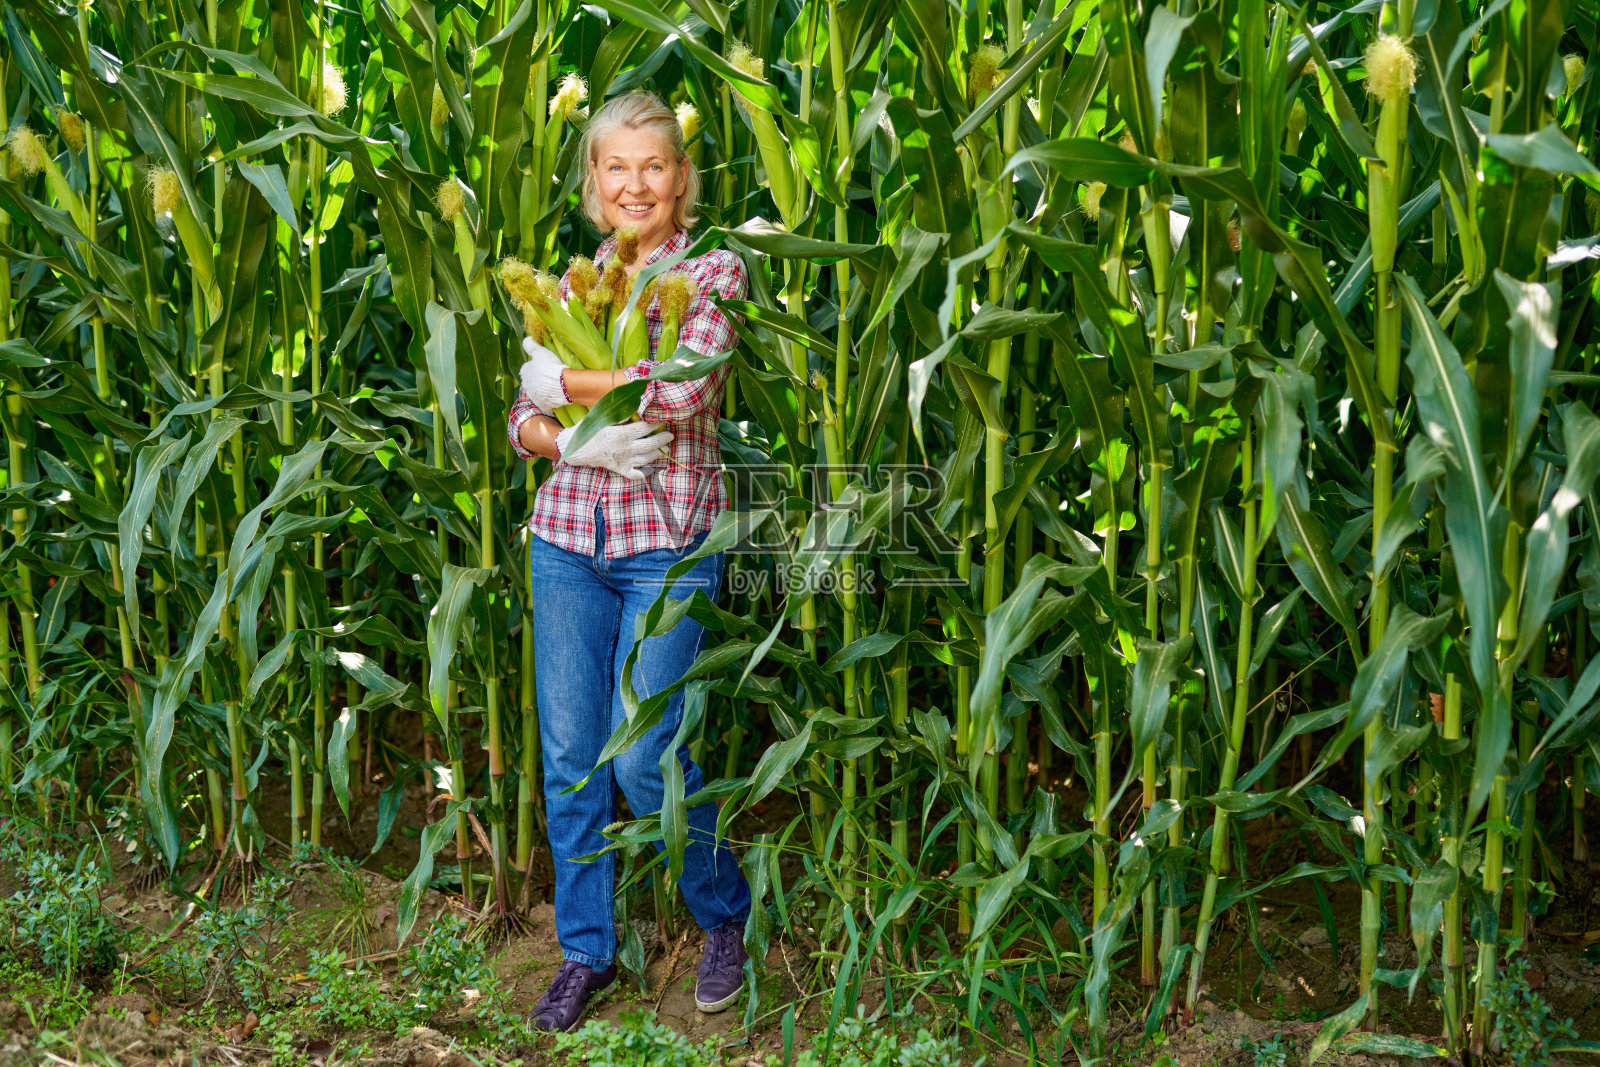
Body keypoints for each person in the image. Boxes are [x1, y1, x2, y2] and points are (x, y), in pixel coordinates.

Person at [506, 89, 752, 1034]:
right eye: (618, 167)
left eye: (654, 166)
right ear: (595, 181)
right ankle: (585, 951)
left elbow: (681, 388)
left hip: (666, 547)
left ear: (681, 179)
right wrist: (568, 438)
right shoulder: (576, 285)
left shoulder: (713, 269)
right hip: (568, 540)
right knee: (573, 761)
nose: (636, 184)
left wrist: (564, 384)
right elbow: (520, 421)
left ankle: (722, 914)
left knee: (647, 755)